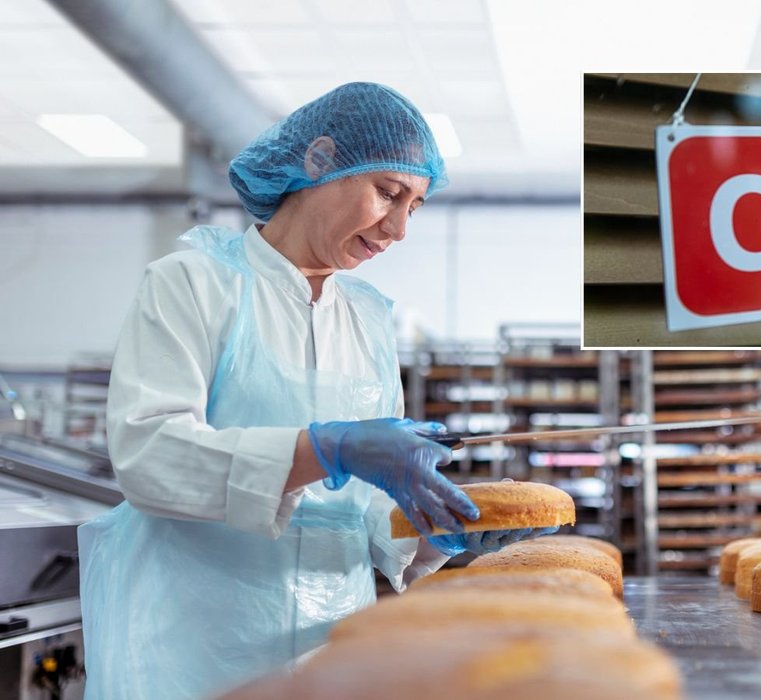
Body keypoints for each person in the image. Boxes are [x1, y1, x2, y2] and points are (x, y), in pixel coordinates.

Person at [78, 83, 553, 700]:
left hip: (332, 660)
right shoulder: (194, 284)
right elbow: (149, 456)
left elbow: (365, 522)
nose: (399, 229)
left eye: (415, 206)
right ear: (320, 159)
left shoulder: (369, 321)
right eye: (388, 193)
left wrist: (434, 534)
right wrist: (327, 448)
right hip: (193, 654)